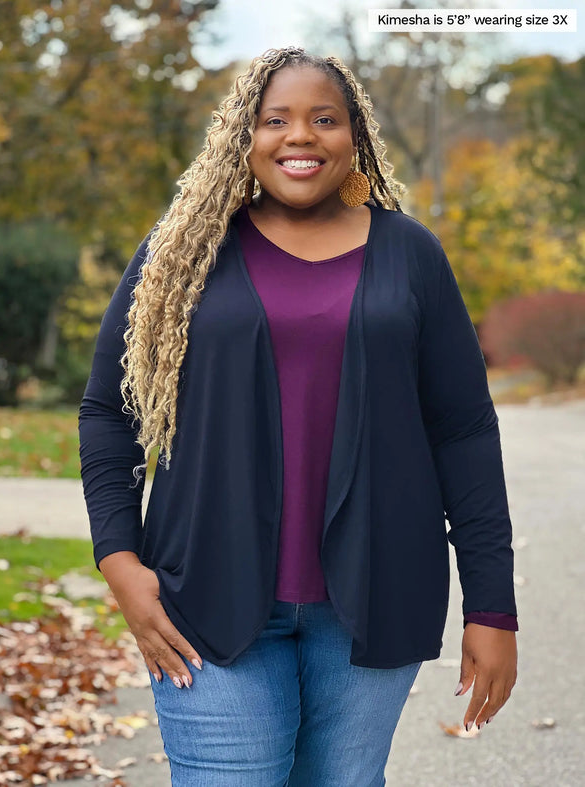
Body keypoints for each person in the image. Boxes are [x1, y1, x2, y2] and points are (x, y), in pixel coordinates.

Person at [79, 47, 518, 786]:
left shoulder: (410, 255)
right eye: (274, 119)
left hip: (375, 600)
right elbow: (109, 410)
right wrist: (119, 560)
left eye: (325, 119)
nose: (300, 136)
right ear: (242, 136)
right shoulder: (183, 254)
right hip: (204, 598)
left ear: (356, 136)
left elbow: (463, 433)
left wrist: (493, 607)